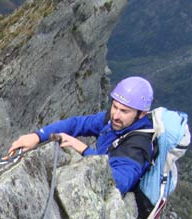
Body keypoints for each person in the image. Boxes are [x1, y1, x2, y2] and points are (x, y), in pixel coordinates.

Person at [9, 76, 154, 199]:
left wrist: (84, 150)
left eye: (124, 111)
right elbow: (76, 124)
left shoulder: (138, 147)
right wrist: (37, 136)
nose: (116, 115)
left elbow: (119, 182)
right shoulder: (114, 121)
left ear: (141, 114)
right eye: (115, 107)